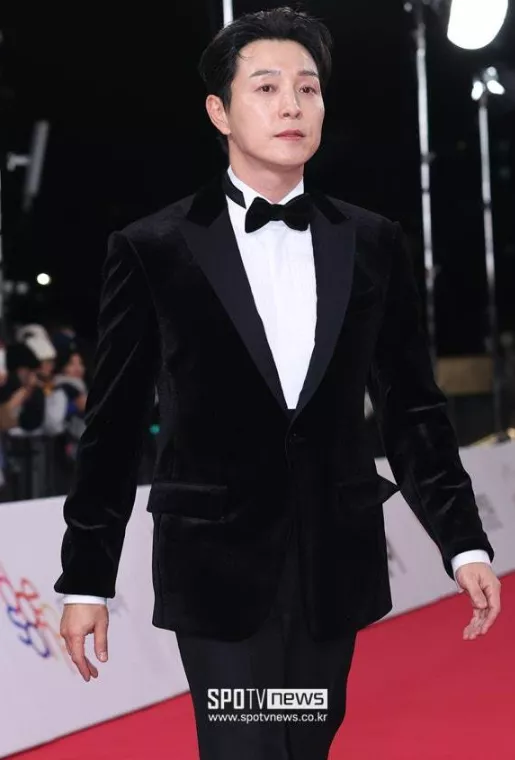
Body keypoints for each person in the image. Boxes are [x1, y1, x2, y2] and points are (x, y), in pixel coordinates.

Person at [55, 8, 501, 759]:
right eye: (266, 87)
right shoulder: (152, 247)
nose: (292, 104)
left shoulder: (372, 242)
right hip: (215, 567)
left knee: (304, 743)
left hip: (334, 560)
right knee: (246, 744)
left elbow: (411, 408)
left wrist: (462, 543)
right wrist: (85, 580)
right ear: (219, 111)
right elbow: (114, 425)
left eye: (308, 88)